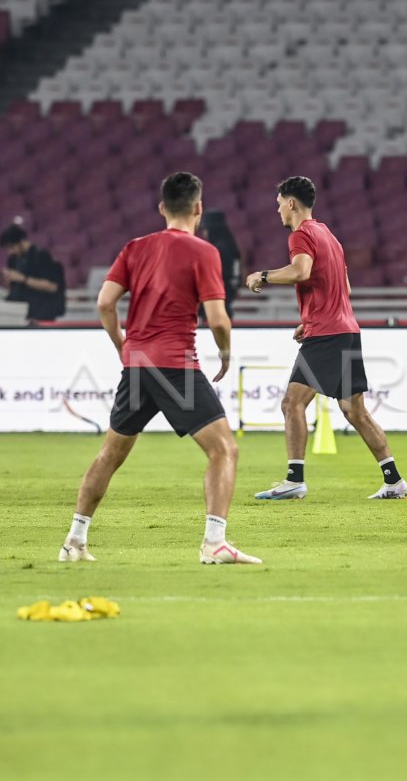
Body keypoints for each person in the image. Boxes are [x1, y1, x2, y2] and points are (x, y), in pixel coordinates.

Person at [58, 171, 259, 565]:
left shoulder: (135, 248)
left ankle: (74, 540)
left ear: (162, 208)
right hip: (175, 366)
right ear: (198, 208)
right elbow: (218, 319)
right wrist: (225, 352)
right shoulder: (204, 252)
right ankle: (214, 543)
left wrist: (122, 343)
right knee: (224, 450)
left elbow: (104, 302)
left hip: (136, 366)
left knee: (110, 455)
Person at [244, 175, 407, 501]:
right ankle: (394, 481)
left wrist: (263, 276)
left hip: (328, 334)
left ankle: (294, 480)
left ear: (291, 203)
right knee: (354, 410)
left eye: (279, 205)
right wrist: (311, 317)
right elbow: (343, 289)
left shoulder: (301, 234)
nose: (278, 211)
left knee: (292, 403)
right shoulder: (329, 235)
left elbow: (301, 271)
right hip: (346, 329)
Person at [0, 224, 65, 324]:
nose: (10, 252)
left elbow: (52, 286)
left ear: (22, 241)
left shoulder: (41, 256)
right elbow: (14, 285)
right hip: (18, 311)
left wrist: (23, 279)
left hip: (40, 311)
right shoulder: (13, 259)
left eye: (11, 247)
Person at [203, 209, 242, 319]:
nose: (204, 233)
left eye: (205, 229)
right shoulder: (231, 246)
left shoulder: (217, 249)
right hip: (227, 295)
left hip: (217, 299)